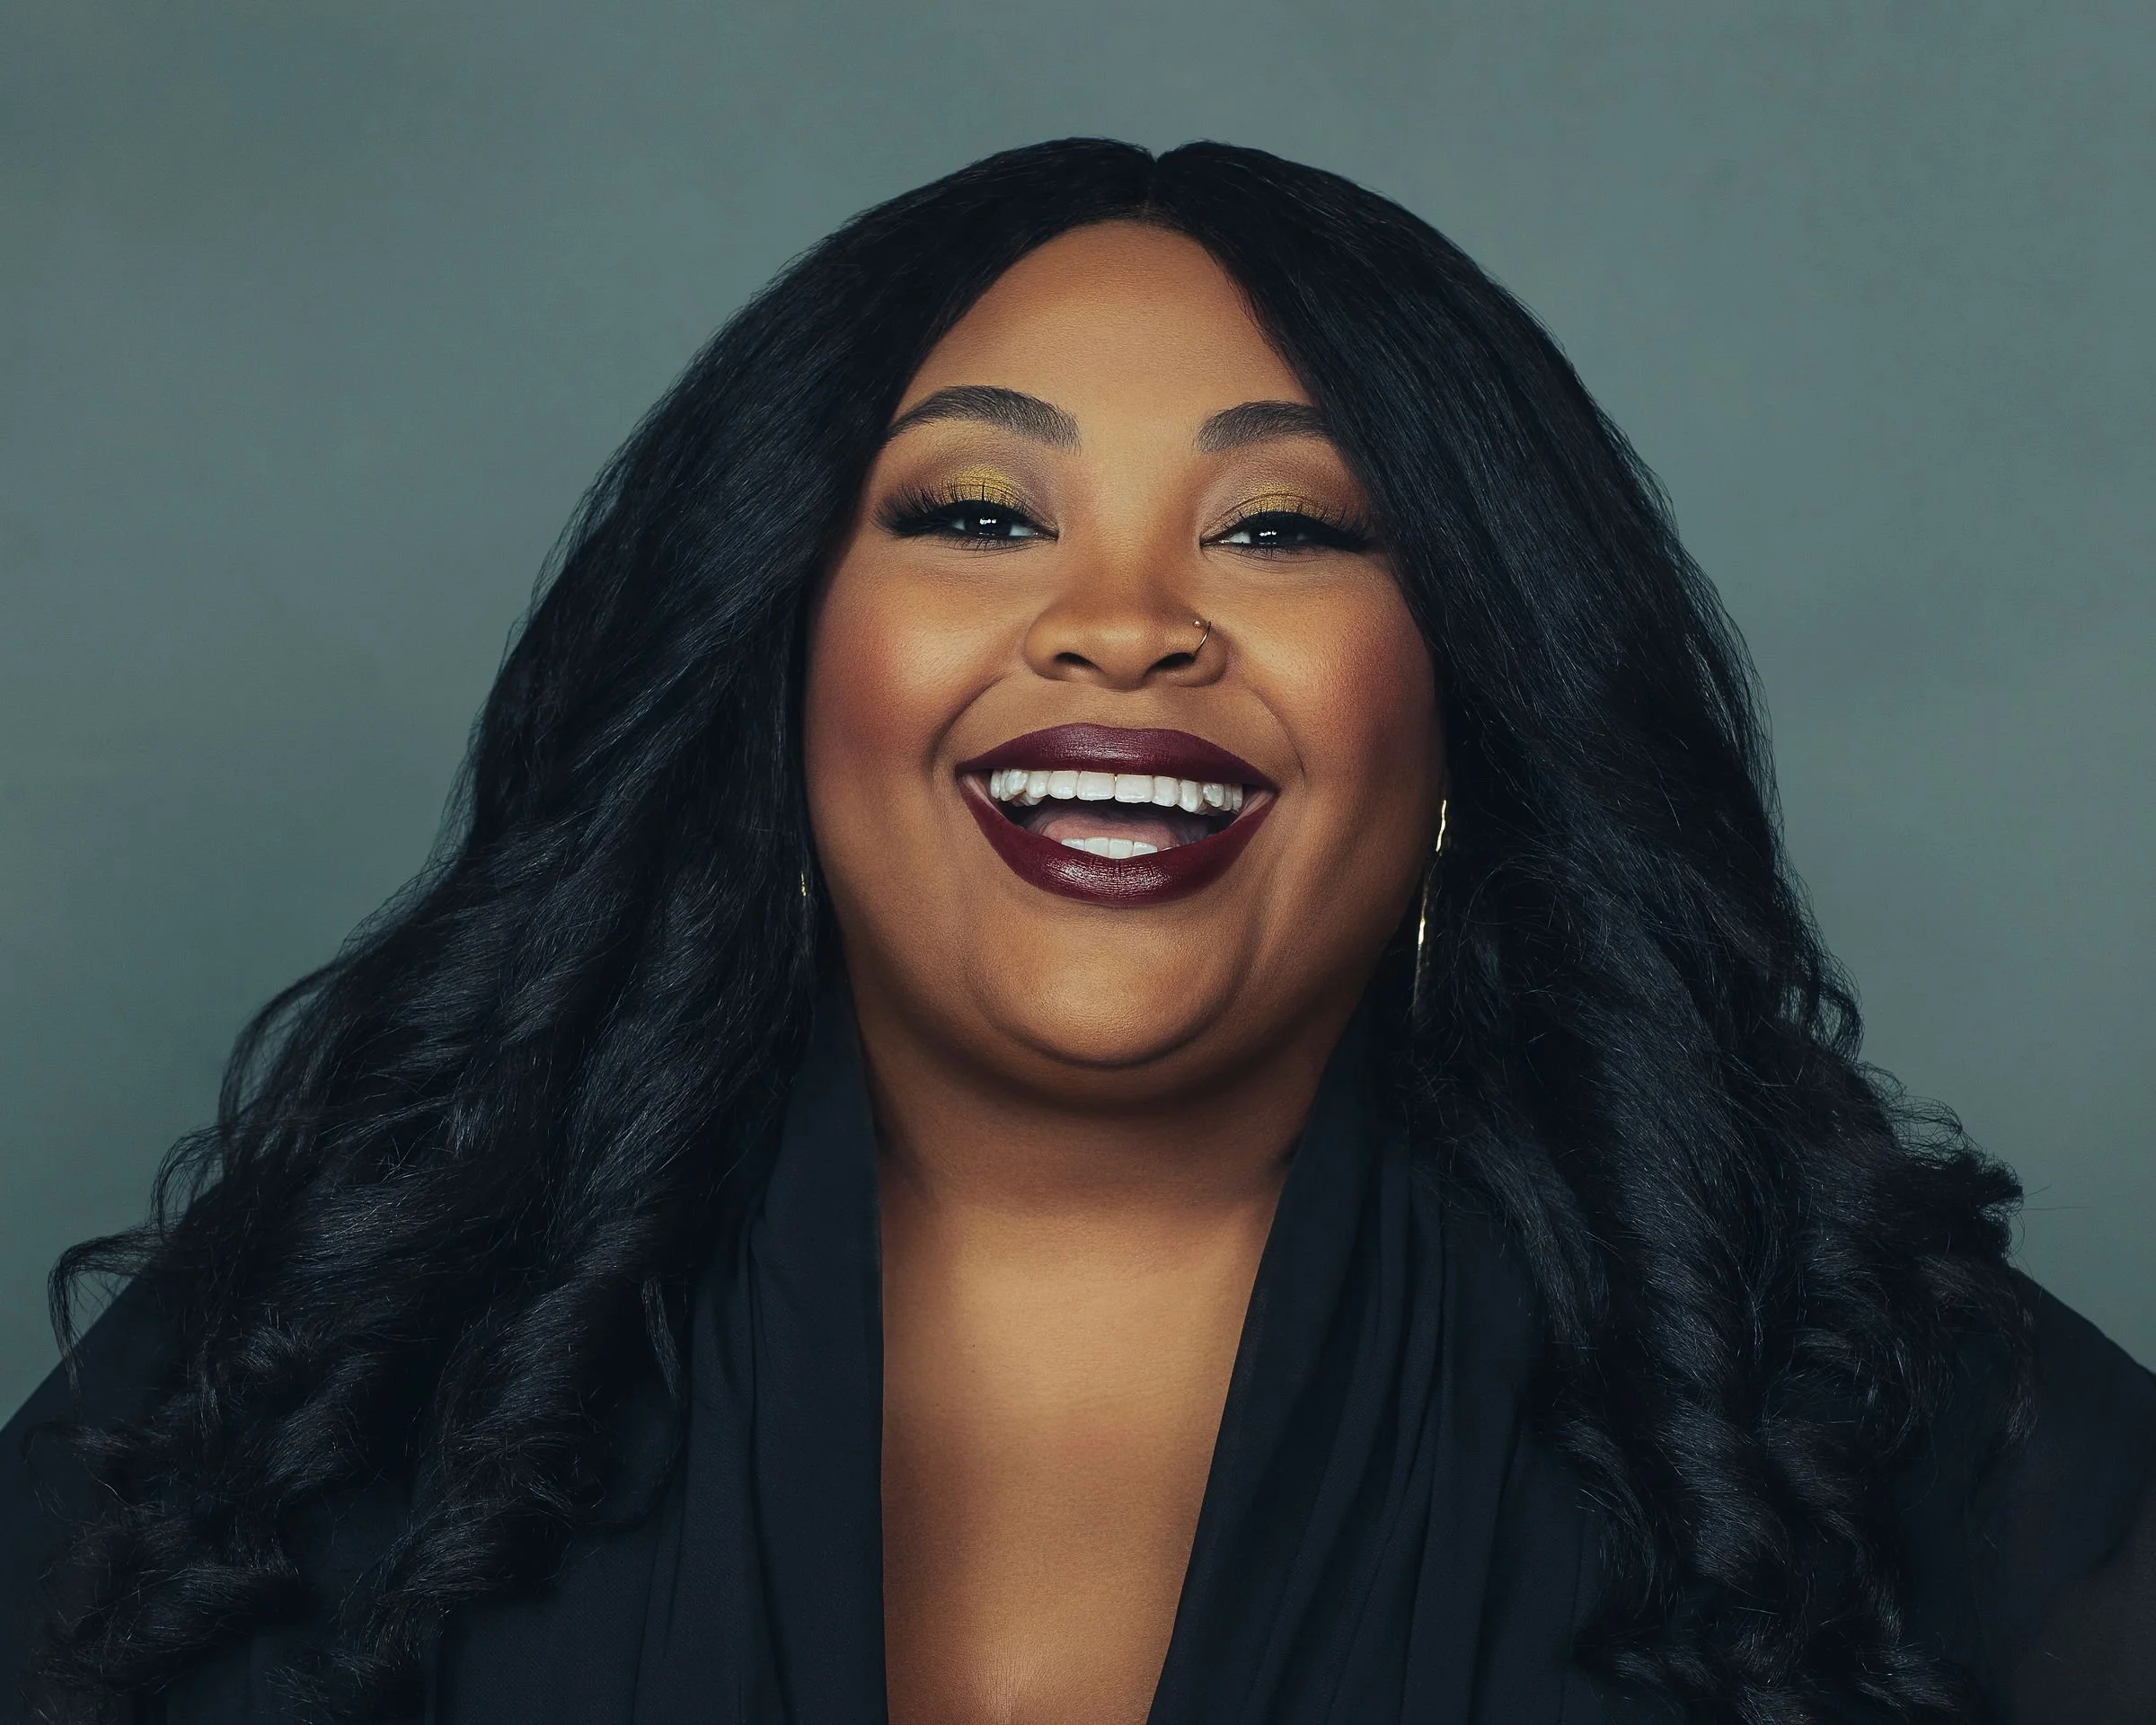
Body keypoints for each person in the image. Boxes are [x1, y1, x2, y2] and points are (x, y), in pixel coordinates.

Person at [4, 138, 2151, 1725]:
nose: (1124, 624)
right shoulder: (305, 1377)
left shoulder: (1886, 1423)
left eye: (1284, 528)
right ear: (773, 663)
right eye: (975, 514)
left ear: (1469, 702)